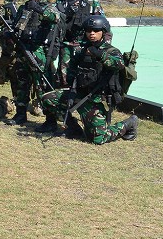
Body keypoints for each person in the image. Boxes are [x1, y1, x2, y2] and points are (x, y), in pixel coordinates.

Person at [38, 14, 138, 143]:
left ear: (103, 32)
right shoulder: (82, 50)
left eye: (96, 31)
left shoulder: (111, 51)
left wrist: (98, 54)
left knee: (97, 139)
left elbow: (117, 65)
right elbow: (72, 69)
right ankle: (73, 128)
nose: (92, 33)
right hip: (79, 94)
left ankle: (128, 124)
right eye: (89, 31)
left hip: (95, 99)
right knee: (48, 99)